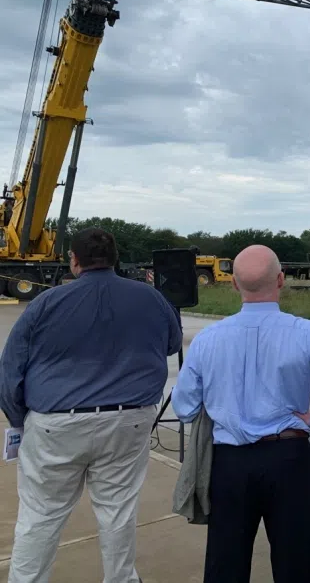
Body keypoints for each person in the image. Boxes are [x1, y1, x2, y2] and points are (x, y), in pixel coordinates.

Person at [0, 227, 182, 583]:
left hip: (56, 422)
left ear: (74, 261)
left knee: (41, 516)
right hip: (129, 420)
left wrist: (22, 420)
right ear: (114, 259)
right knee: (117, 511)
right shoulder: (152, 299)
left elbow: (10, 370)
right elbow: (172, 344)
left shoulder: (46, 303)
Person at [171, 244, 310, 582]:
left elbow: (184, 407)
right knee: (294, 564)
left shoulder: (207, 339)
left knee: (225, 564)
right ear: (282, 280)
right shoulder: (307, 333)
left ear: (233, 285)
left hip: (228, 464)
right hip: (288, 458)